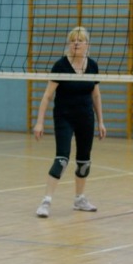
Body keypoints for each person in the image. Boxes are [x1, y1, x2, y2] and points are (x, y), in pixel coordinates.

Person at [32, 26, 106, 217]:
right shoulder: (60, 66)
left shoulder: (93, 66)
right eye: (73, 40)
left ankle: (79, 199)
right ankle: (46, 201)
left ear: (87, 44)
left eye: (80, 40)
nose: (76, 44)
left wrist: (101, 121)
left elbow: (96, 96)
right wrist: (39, 122)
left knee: (84, 161)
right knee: (62, 159)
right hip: (64, 117)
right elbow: (47, 96)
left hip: (86, 118)